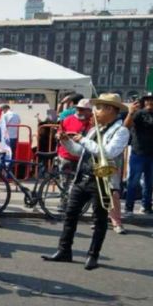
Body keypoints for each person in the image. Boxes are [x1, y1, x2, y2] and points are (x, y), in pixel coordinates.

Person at [43, 94, 130, 271]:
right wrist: (66, 141)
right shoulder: (94, 129)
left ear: (110, 109)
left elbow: (108, 152)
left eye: (99, 108)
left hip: (102, 181)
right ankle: (64, 250)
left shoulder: (121, 131)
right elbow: (79, 151)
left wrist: (83, 140)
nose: (94, 112)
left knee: (99, 220)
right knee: (70, 214)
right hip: (83, 177)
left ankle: (93, 255)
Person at [123, 91, 153, 215]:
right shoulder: (139, 113)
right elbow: (126, 126)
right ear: (144, 101)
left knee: (150, 183)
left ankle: (146, 206)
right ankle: (129, 207)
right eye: (147, 99)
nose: (150, 101)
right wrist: (130, 113)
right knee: (133, 182)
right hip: (138, 152)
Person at [57, 99, 94, 174]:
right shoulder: (68, 119)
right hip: (66, 157)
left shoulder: (94, 122)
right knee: (65, 179)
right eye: (77, 109)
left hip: (85, 159)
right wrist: (60, 136)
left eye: (82, 109)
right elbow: (59, 132)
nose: (78, 112)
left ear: (90, 111)